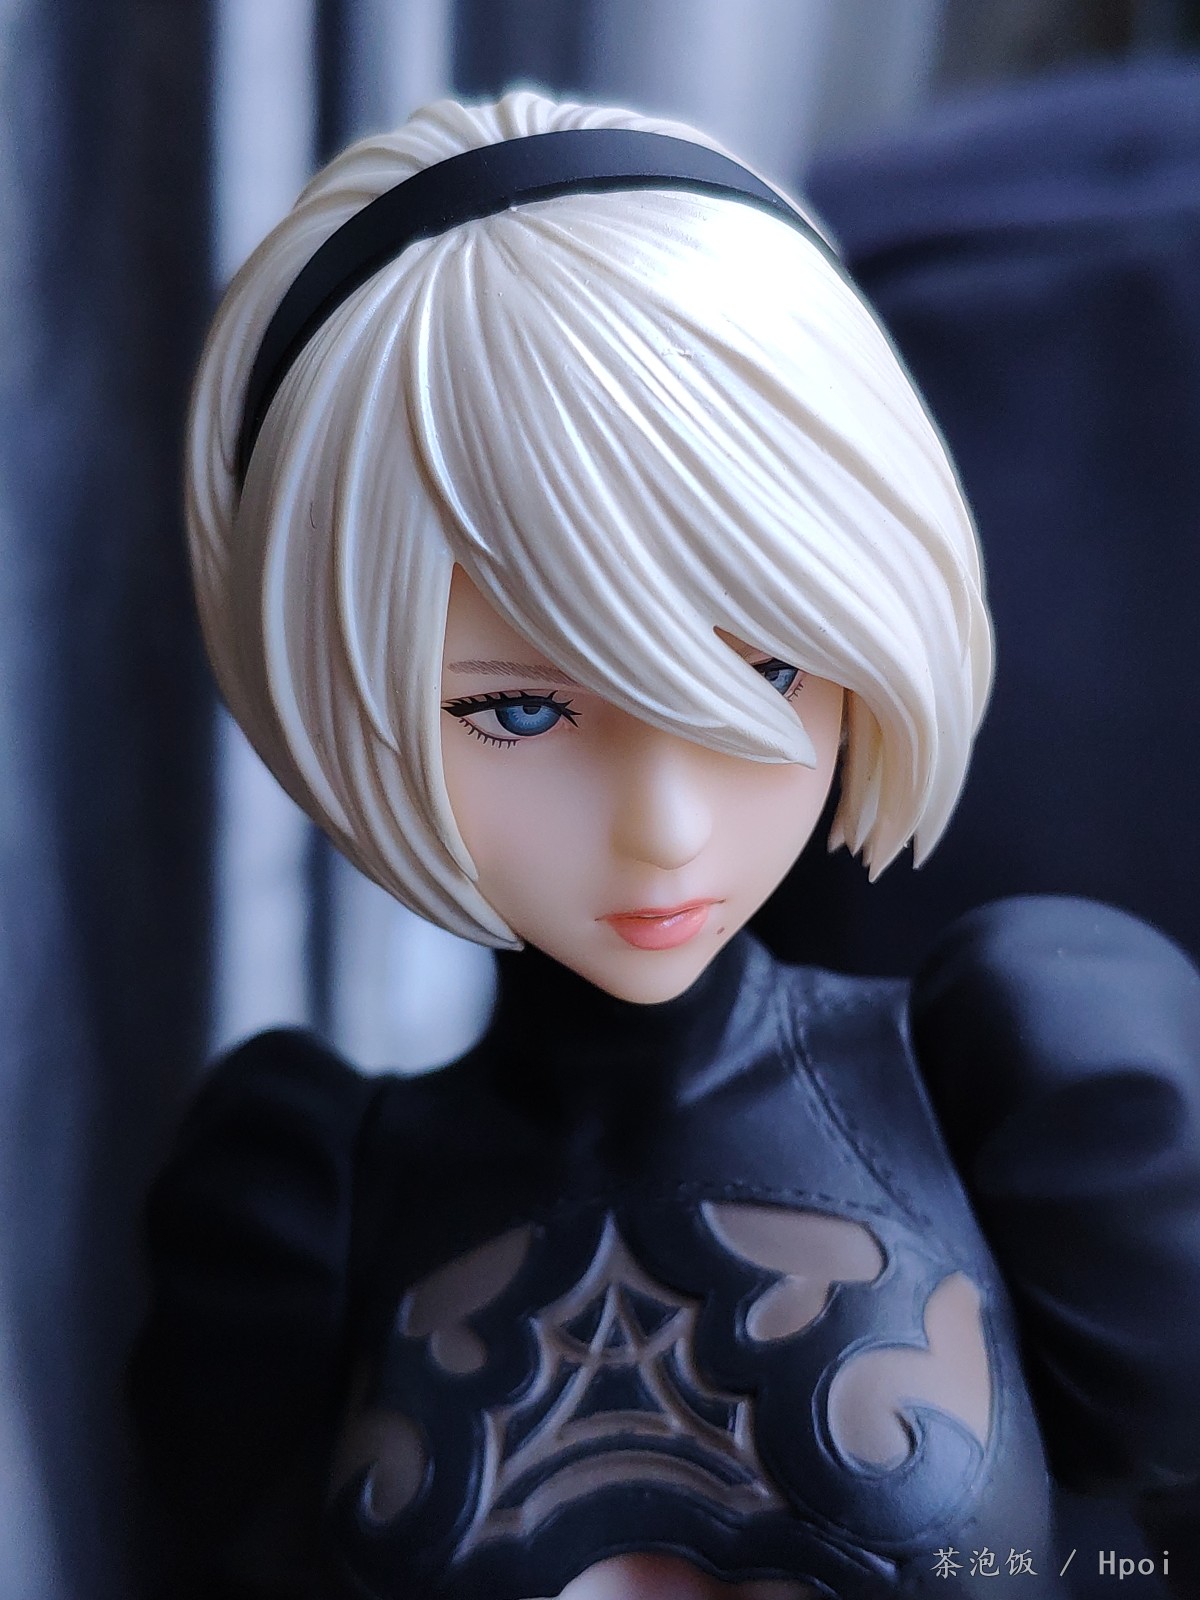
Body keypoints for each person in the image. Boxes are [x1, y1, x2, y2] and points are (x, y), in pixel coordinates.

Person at [132, 92, 1200, 1599]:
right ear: (332, 685)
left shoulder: (1031, 1076)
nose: (665, 827)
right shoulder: (302, 1203)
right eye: (517, 711)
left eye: (766, 675)